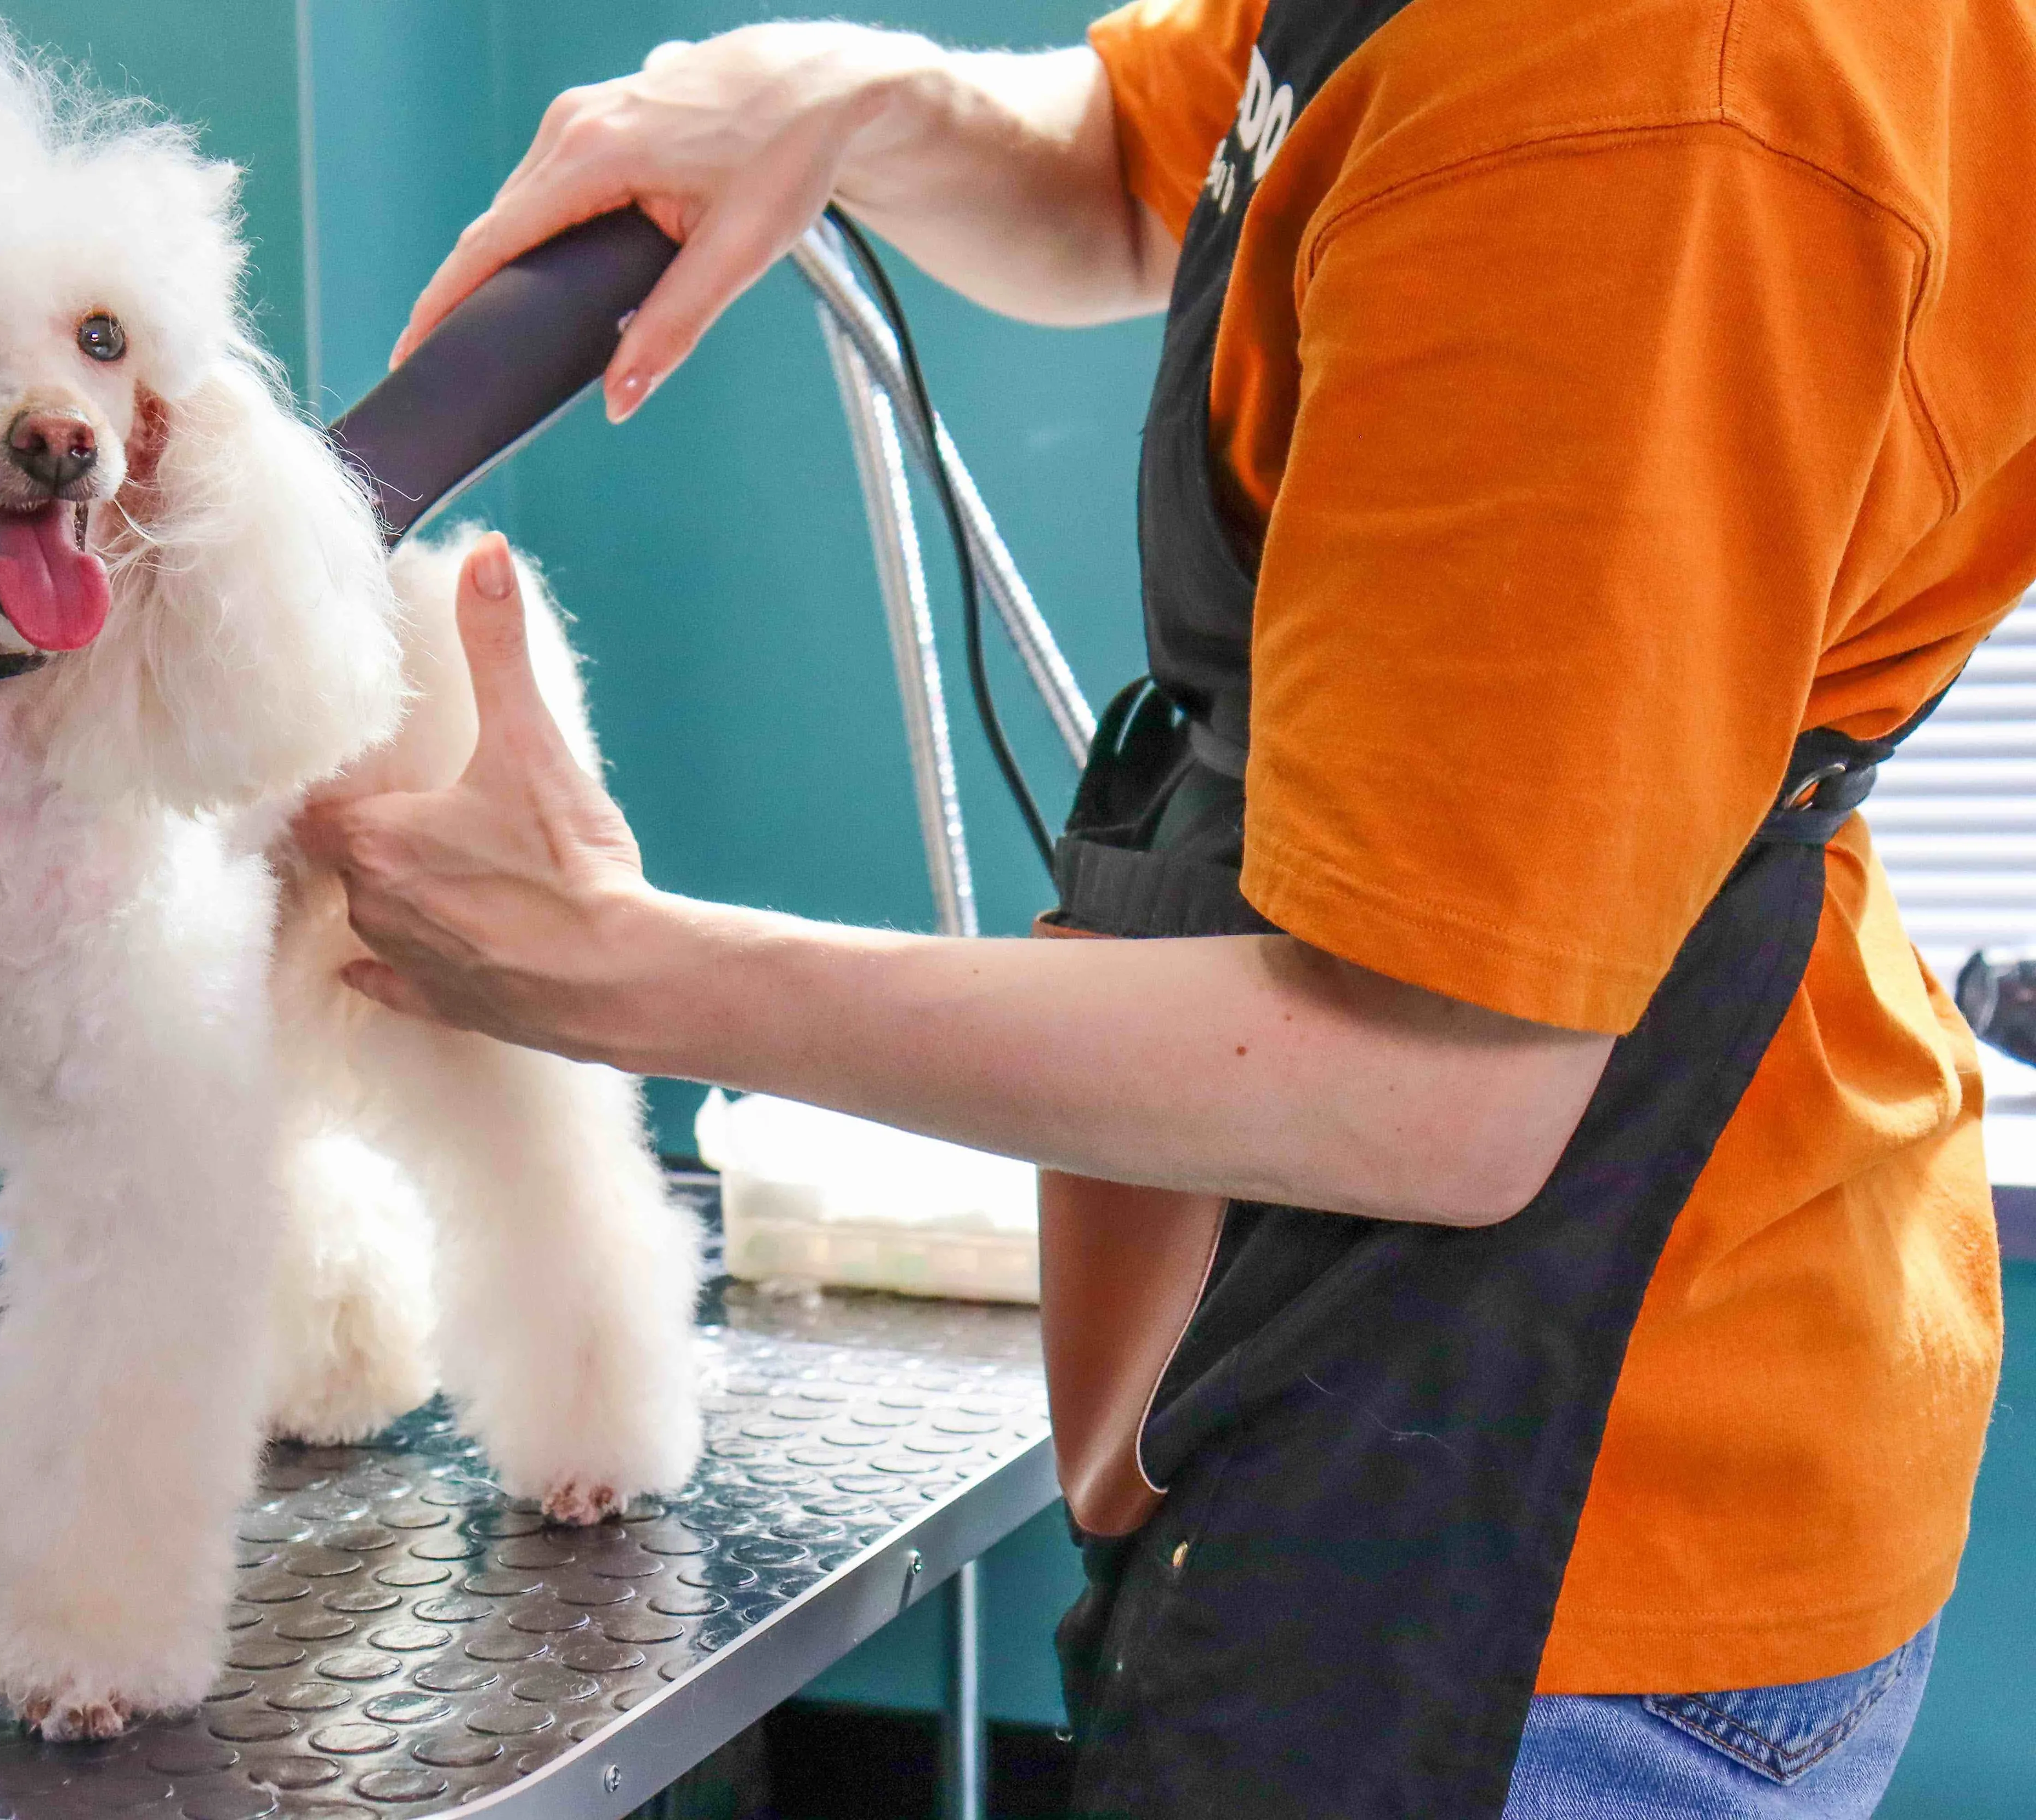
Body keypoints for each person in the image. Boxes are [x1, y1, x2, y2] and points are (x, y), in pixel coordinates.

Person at [297, 6, 2028, 1815]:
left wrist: (619, 968)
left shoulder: (1635, 97)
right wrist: (865, 106)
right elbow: (1152, 157)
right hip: (1513, 1392)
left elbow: (1437, 1085)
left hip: (1542, 1526)